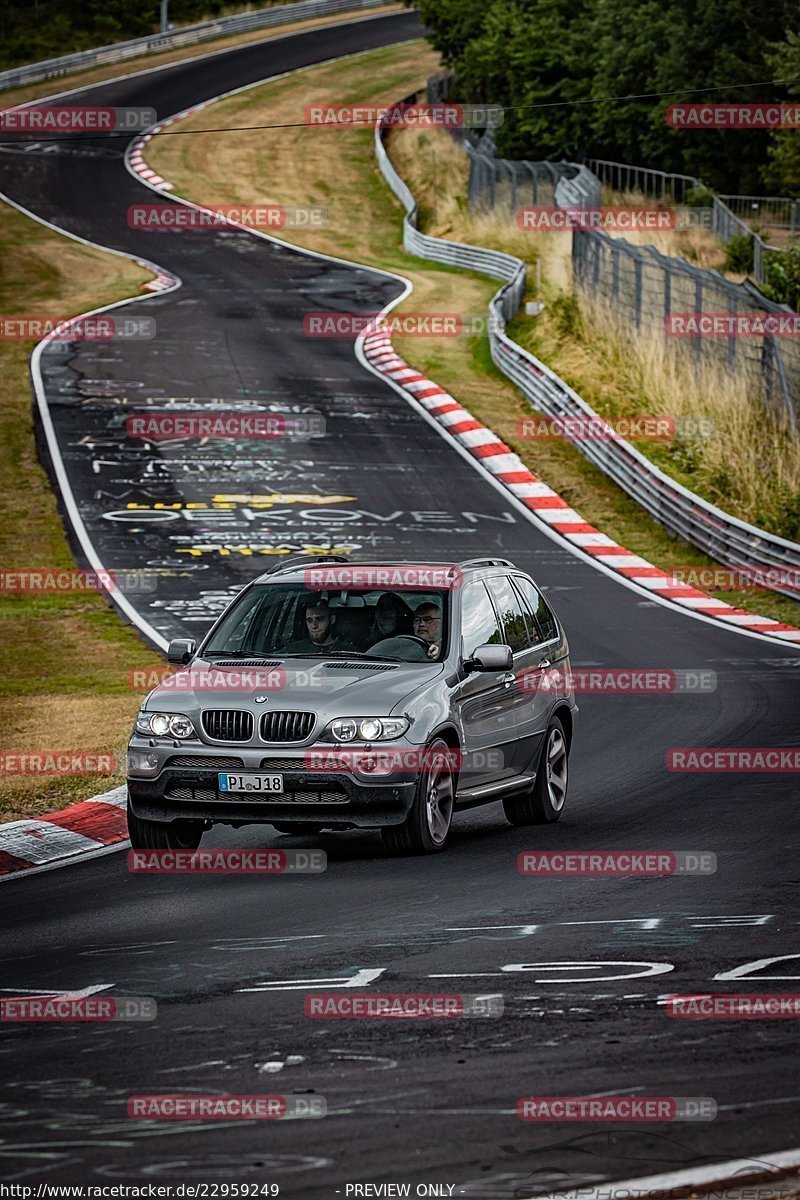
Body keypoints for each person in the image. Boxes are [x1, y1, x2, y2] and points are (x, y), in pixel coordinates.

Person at [285, 598, 356, 655]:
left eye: (320, 619)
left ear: (332, 619)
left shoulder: (348, 652)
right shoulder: (293, 651)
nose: (314, 626)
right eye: (309, 620)